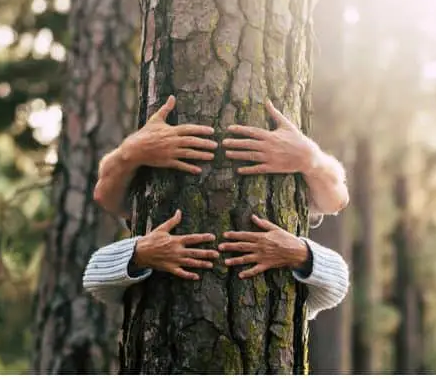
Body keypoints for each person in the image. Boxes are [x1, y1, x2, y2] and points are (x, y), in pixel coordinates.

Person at [84, 96, 350, 319]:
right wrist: (141, 252)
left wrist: (310, 159)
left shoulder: (295, 235)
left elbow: (338, 276)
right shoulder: (146, 216)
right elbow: (95, 277)